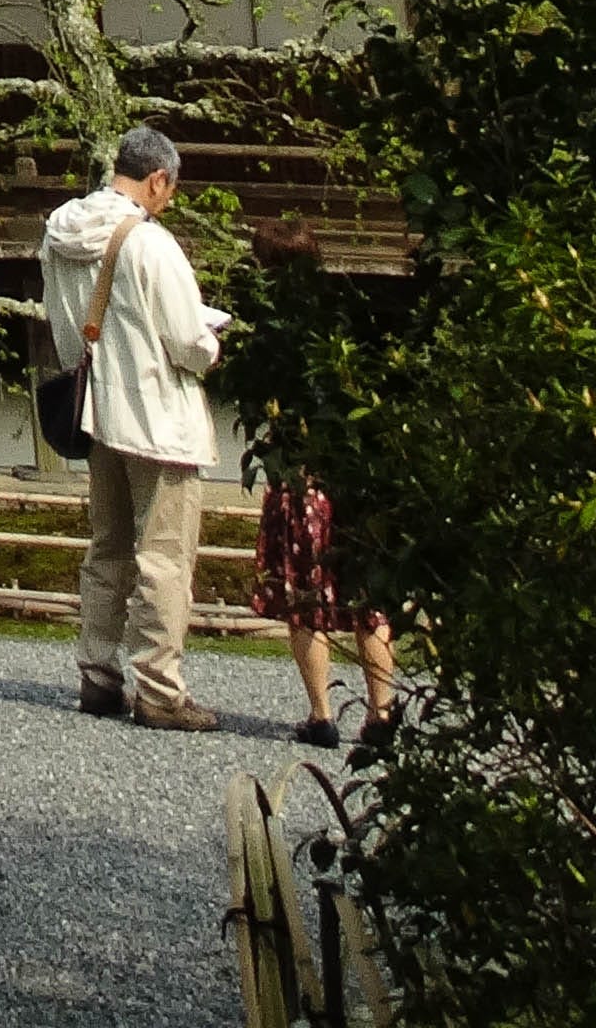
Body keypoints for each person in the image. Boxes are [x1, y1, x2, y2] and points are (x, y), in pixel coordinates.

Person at [41, 122, 232, 733]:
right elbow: (186, 341)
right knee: (164, 559)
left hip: (100, 411)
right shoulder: (151, 243)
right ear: (156, 180)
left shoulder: (60, 231)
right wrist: (212, 344)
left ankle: (97, 672)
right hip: (158, 418)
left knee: (108, 550)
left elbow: (66, 324)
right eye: (169, 189)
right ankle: (159, 687)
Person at [245, 405, 398, 751]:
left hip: (304, 477)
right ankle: (381, 714)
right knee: (370, 602)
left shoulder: (284, 362)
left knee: (306, 598)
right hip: (362, 479)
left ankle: (322, 716)